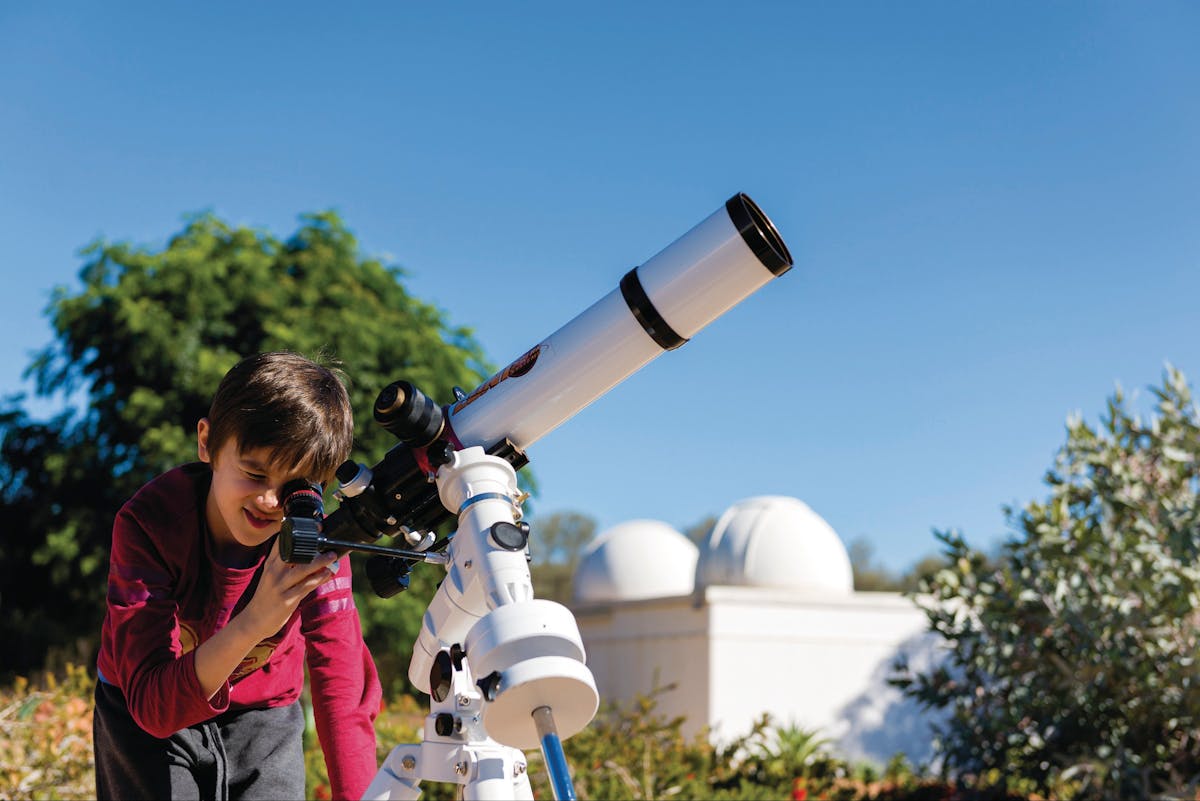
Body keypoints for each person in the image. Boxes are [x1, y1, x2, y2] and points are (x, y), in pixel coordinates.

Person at [92, 351, 382, 801]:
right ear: (206, 442)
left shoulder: (314, 540)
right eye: (253, 473)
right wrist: (256, 622)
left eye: (295, 488)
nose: (269, 500)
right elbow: (153, 707)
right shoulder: (150, 524)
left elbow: (342, 693)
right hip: (146, 708)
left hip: (264, 715)